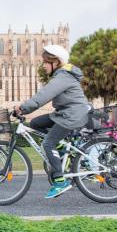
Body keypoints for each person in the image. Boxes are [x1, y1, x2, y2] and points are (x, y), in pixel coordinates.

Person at [15, 45, 90, 199]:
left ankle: (60, 181)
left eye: (45, 62)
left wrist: (24, 108)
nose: (43, 66)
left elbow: (44, 95)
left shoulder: (64, 76)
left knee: (48, 143)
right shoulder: (61, 76)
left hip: (72, 116)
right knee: (36, 123)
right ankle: (60, 147)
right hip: (64, 114)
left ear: (55, 62)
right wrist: (26, 110)